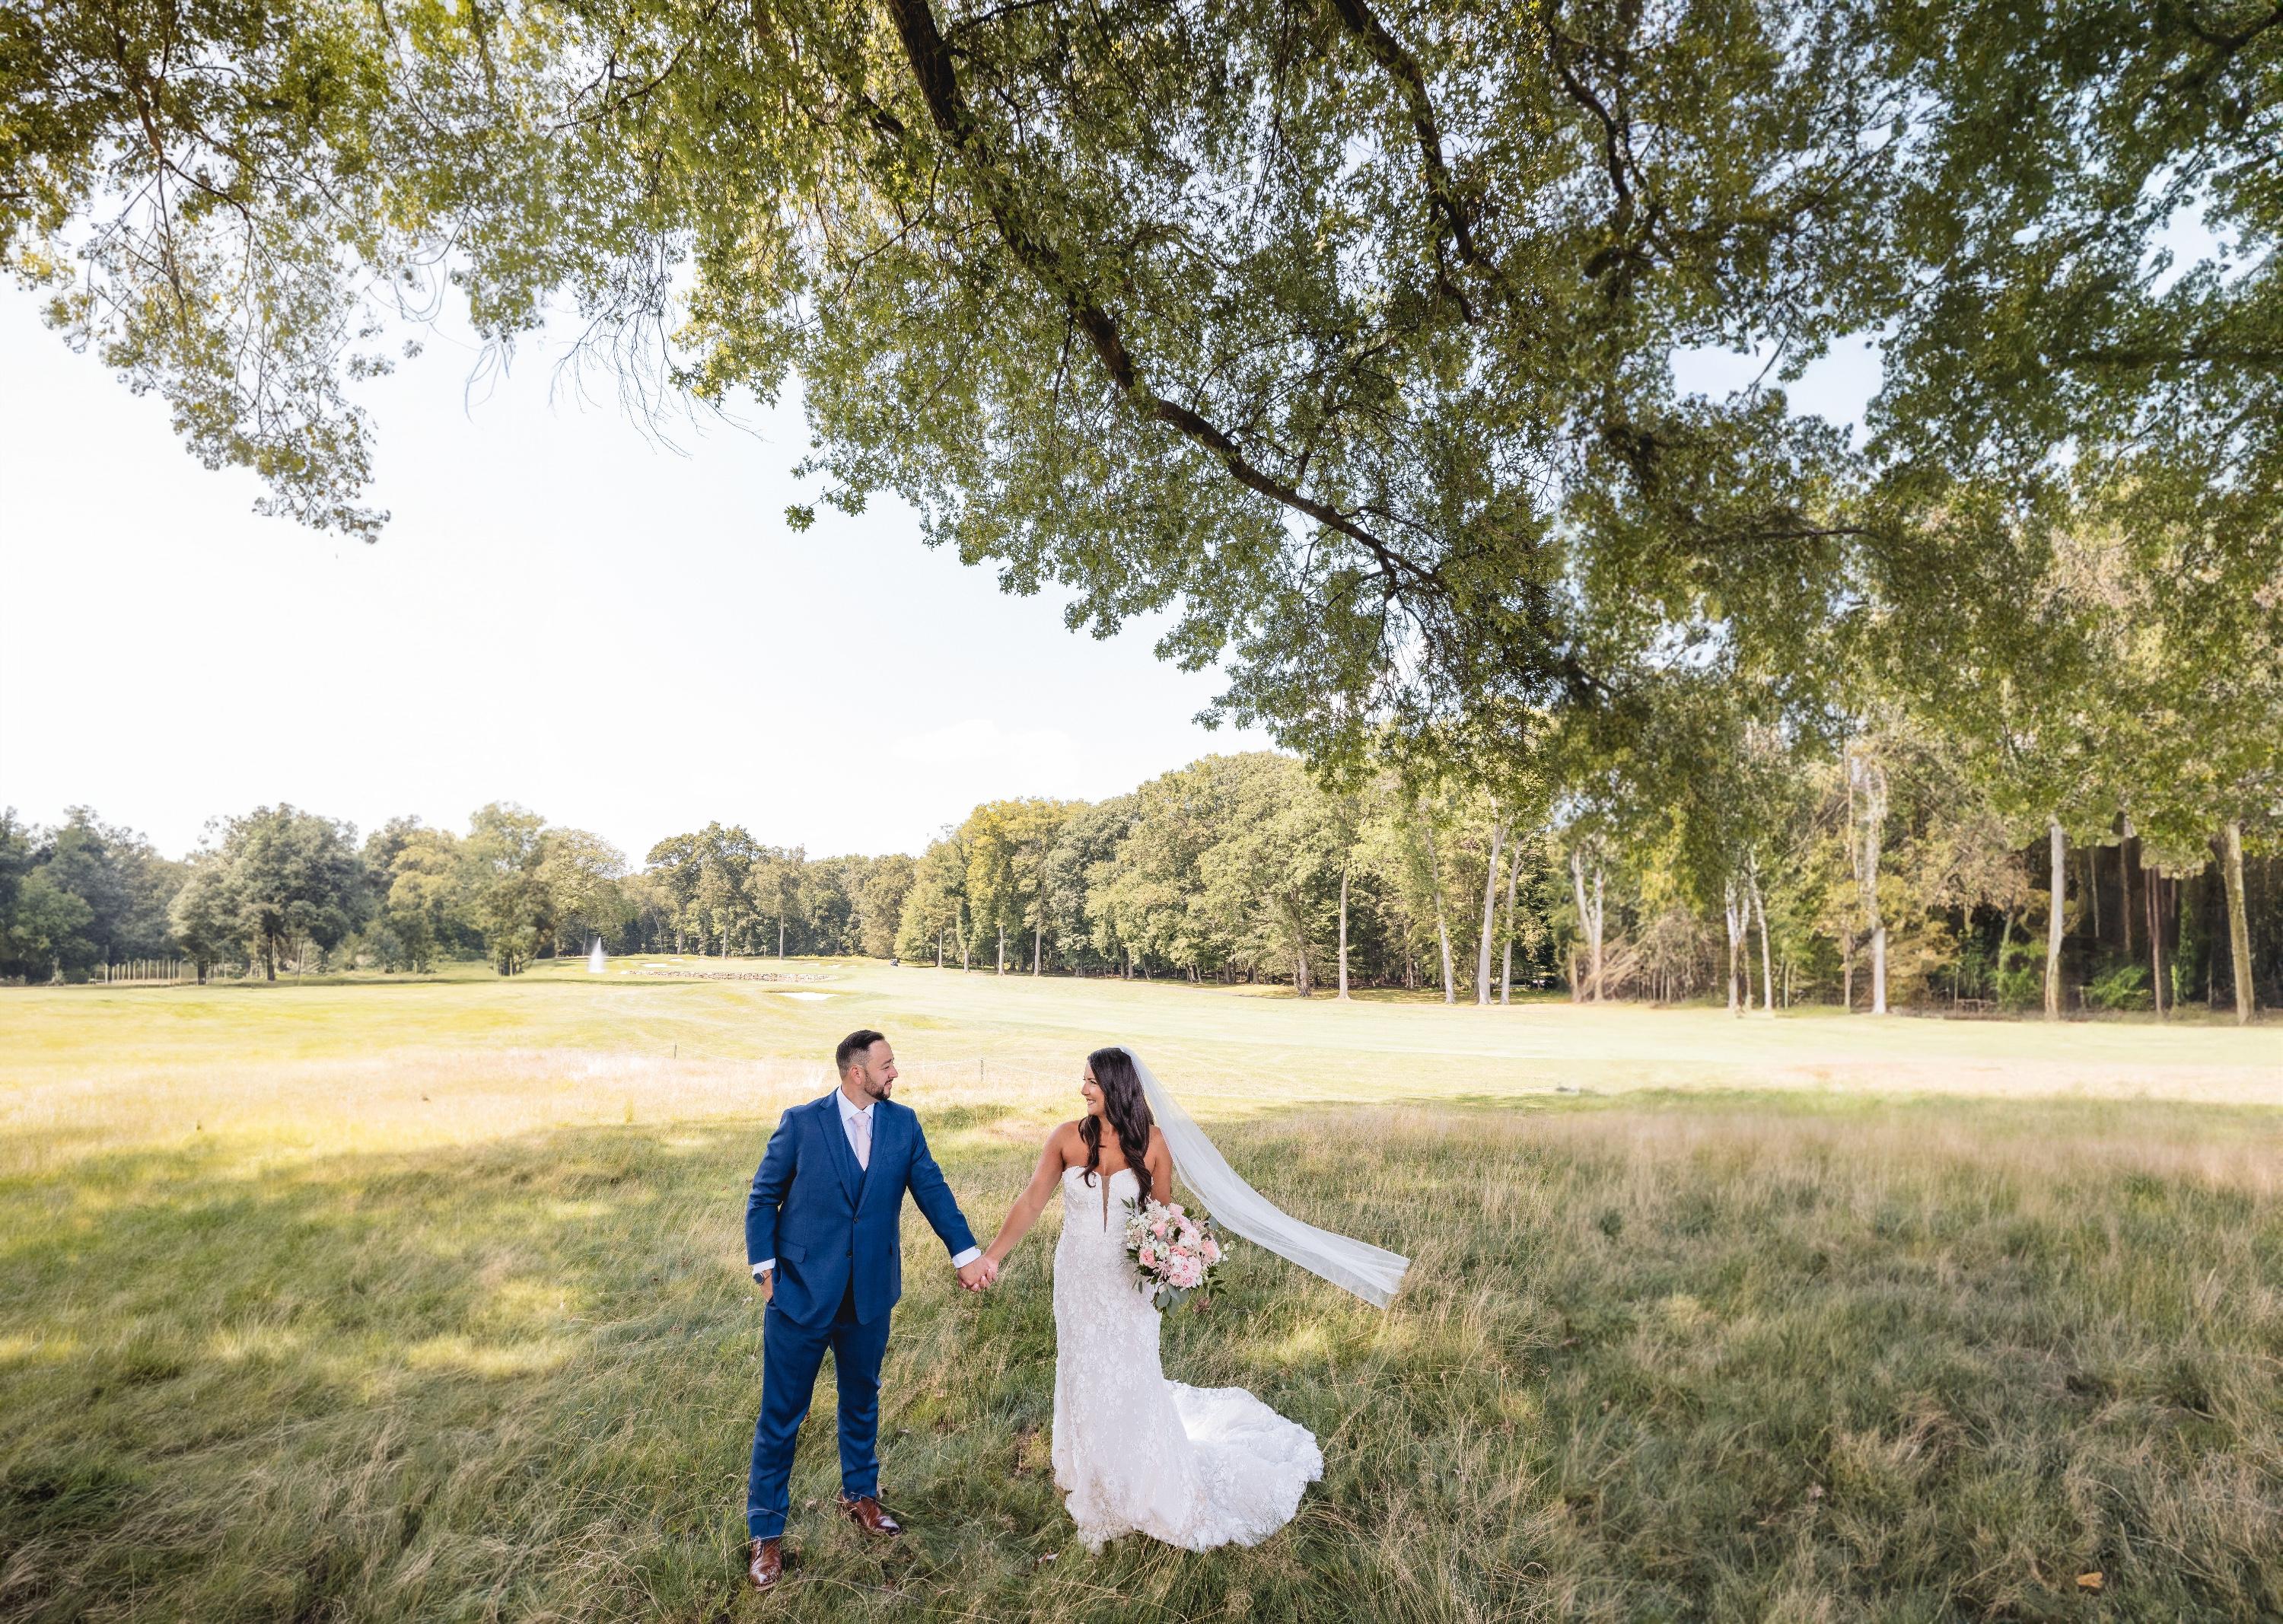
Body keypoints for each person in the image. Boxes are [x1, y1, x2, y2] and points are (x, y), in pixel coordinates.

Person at [978, 1045, 1407, 1549]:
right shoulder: (1066, 1138)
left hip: (1127, 1282)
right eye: (1084, 1080)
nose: (1083, 1088)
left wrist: (1178, 1269)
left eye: (1091, 1081)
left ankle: (1142, 1477)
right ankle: (1091, 1470)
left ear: (1116, 1087)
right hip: (1076, 1279)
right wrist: (993, 1257)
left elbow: (1163, 1219)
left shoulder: (1154, 1143)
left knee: (1132, 1371)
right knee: (1081, 1366)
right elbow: (1031, 1200)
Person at [741, 1029, 995, 1592]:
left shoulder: (903, 1125)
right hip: (800, 1294)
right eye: (887, 1065)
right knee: (782, 1418)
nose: (895, 1074)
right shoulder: (802, 1123)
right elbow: (762, 1199)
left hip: (870, 1295)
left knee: (862, 1400)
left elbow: (932, 1189)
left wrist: (967, 1254)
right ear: (857, 1072)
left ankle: (860, 1495)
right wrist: (766, 1274)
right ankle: (767, 1533)